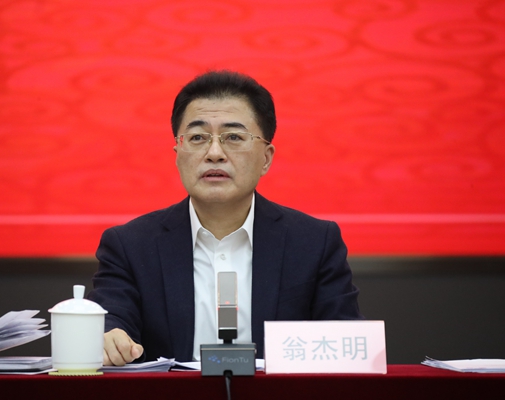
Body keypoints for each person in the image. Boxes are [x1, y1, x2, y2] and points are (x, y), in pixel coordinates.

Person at [87, 70, 362, 366]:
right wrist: (109, 336)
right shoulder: (130, 245)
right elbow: (110, 318)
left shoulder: (314, 243)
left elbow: (346, 344)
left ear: (266, 158)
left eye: (233, 137)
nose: (214, 153)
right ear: (178, 153)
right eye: (197, 137)